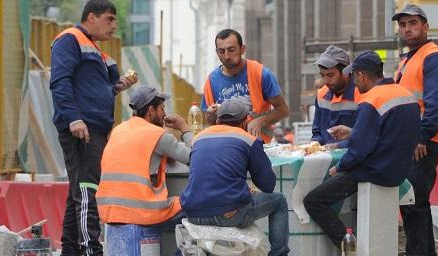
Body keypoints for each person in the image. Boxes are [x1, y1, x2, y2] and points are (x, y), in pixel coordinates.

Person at [303, 50, 420, 248]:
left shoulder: (371, 99)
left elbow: (359, 149)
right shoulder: (405, 95)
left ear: (361, 75)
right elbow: (386, 134)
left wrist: (340, 167)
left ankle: (348, 246)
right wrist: (353, 132)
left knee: (313, 201)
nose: (354, 83)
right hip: (398, 170)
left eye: (354, 76)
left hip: (373, 171)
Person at [49, 1, 138, 254]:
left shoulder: (96, 51)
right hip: (82, 129)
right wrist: (74, 118)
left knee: (78, 191)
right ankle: (91, 250)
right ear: (92, 17)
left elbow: (99, 89)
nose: (114, 25)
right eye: (109, 19)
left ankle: (70, 249)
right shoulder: (70, 39)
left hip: (93, 129)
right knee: (88, 190)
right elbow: (60, 81)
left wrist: (119, 85)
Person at [181, 97, 290, 256]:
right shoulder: (249, 140)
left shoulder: (199, 138)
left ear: (218, 120)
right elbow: (268, 185)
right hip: (228, 214)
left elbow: (210, 175)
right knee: (279, 200)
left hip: (193, 214)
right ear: (246, 121)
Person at [96, 86, 193, 255]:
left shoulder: (118, 131)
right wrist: (184, 128)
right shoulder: (157, 135)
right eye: (162, 109)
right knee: (198, 205)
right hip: (141, 212)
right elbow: (197, 158)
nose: (164, 114)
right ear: (151, 110)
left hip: (110, 212)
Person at [393, 4, 438, 255]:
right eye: (403, 25)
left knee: (413, 205)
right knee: (416, 205)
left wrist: (420, 136)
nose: (407, 29)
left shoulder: (433, 56)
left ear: (426, 27)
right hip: (412, 142)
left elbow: (436, 103)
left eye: (413, 24)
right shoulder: (409, 59)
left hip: (421, 144)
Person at [202, 29, 289, 143]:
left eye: (231, 50)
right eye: (221, 51)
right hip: (227, 145)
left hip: (257, 143)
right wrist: (210, 114)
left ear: (242, 49)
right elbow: (210, 121)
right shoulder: (211, 80)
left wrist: (260, 121)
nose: (227, 56)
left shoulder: (261, 74)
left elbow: (283, 110)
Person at [312, 46, 360, 149]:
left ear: (346, 73)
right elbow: (317, 131)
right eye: (322, 75)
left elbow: (366, 136)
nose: (325, 81)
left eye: (330, 75)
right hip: (325, 159)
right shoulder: (321, 95)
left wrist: (338, 146)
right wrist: (314, 144)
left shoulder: (361, 94)